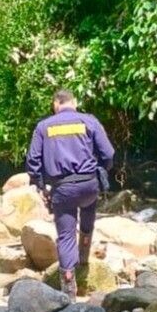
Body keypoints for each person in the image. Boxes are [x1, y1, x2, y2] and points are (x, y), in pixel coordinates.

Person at [25, 89, 115, 300]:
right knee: (88, 209)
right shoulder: (89, 121)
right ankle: (84, 255)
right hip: (88, 185)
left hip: (62, 189)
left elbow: (33, 161)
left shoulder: (44, 126)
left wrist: (40, 185)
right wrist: (101, 170)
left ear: (56, 104)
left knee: (65, 236)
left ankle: (68, 286)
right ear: (74, 102)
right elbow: (108, 154)